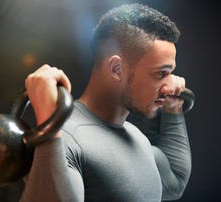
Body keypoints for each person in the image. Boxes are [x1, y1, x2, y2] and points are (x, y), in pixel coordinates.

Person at [20, 3, 191, 202]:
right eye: (161, 74)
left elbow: (175, 181)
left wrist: (173, 107)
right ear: (117, 69)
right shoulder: (66, 138)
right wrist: (49, 123)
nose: (169, 85)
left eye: (170, 73)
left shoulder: (135, 137)